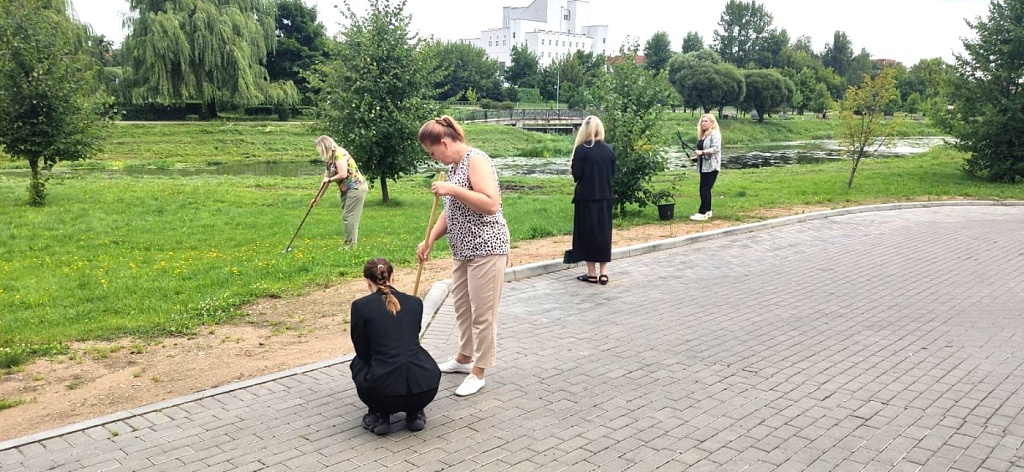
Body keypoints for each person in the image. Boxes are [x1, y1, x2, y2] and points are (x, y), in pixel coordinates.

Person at [416, 115, 510, 397]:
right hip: (462, 249)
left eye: (433, 153)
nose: (435, 159)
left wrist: (452, 189)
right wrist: (430, 239)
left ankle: (478, 371)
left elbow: (491, 204)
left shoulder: (476, 160)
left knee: (483, 313)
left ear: (444, 143)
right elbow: (450, 210)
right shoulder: (455, 167)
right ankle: (464, 357)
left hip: (487, 247)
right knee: (463, 309)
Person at [349, 258, 441, 436]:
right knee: (413, 352)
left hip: (382, 395)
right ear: (394, 276)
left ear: (367, 281)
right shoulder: (415, 302)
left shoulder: (360, 306)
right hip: (424, 389)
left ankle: (380, 415)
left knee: (358, 362)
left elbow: (362, 350)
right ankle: (414, 413)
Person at [569, 116, 616, 286]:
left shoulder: (582, 150)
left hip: (586, 197)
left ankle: (591, 273)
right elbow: (612, 175)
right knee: (603, 234)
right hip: (605, 196)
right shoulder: (609, 150)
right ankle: (604, 273)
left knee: (586, 234)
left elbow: (577, 175)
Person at [311, 135, 368, 249]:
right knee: (348, 217)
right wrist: (317, 199)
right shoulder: (330, 160)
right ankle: (350, 244)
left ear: (324, 146)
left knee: (350, 217)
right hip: (346, 190)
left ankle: (350, 246)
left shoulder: (339, 154)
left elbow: (343, 174)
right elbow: (325, 181)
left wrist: (330, 179)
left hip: (356, 187)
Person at [690, 114, 722, 221]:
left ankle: (702, 212)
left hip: (712, 166)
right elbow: (702, 150)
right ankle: (708, 211)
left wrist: (702, 152)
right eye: (702, 121)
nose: (703, 123)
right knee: (704, 189)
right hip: (703, 166)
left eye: (706, 121)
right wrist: (696, 157)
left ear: (712, 123)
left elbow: (716, 148)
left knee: (705, 189)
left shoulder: (715, 134)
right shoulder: (703, 135)